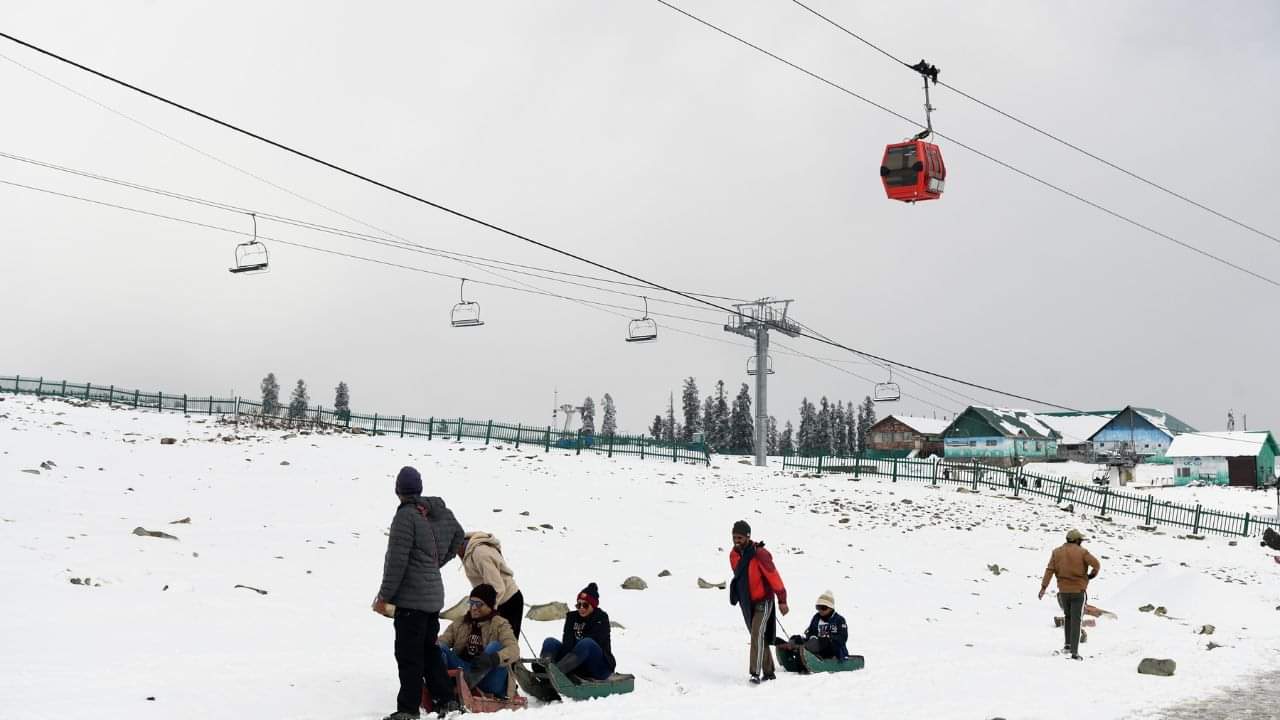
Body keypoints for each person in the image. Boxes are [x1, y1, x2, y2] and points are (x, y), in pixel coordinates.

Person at [373, 466, 466, 720]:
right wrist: (434, 564)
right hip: (433, 596)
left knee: (408, 655)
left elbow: (396, 562)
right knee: (429, 650)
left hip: (412, 600)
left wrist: (383, 597)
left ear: (398, 490)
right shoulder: (437, 511)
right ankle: (447, 700)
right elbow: (459, 535)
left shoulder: (405, 516)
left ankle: (408, 709)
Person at [729, 520, 788, 684]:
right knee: (758, 635)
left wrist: (782, 600)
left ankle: (754, 673)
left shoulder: (760, 554)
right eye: (734, 537)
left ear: (748, 536)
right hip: (747, 603)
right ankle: (769, 672)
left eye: (740, 537)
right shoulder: (733, 555)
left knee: (756, 634)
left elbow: (773, 577)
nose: (736, 541)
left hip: (764, 600)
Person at [437, 584, 519, 699]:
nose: (474, 607)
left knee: (495, 646)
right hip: (465, 672)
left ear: (490, 606)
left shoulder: (500, 624)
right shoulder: (461, 622)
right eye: (471, 603)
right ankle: (441, 685)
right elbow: (443, 641)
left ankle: (466, 684)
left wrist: (494, 658)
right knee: (438, 648)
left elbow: (514, 650)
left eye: (479, 604)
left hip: (489, 678)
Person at [1038, 528, 1101, 661]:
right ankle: (1075, 652)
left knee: (1067, 617)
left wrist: (1043, 587)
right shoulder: (1083, 552)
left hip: (1063, 592)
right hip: (1078, 592)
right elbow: (1096, 565)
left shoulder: (1056, 552)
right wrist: (1090, 576)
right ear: (1077, 540)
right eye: (1080, 540)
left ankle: (1067, 646)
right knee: (1076, 620)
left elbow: (1049, 570)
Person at [539, 582, 617, 681]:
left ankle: (556, 673)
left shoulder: (601, 618)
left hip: (596, 666)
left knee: (587, 643)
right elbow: (567, 643)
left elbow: (596, 640)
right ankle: (545, 667)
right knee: (550, 642)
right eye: (578, 605)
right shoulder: (572, 617)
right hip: (573, 664)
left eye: (585, 605)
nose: (581, 608)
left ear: (593, 606)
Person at [459, 531, 524, 638]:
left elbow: (497, 587)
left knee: (505, 643)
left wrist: (488, 612)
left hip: (507, 602)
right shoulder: (470, 551)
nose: (454, 554)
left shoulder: (479, 553)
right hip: (496, 602)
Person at [787, 590, 849, 660]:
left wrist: (829, 638)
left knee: (823, 641)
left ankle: (801, 649)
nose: (820, 610)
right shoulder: (816, 618)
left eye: (824, 608)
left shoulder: (839, 620)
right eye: (818, 607)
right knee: (796, 638)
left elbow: (843, 638)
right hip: (816, 645)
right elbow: (811, 632)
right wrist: (811, 637)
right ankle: (793, 649)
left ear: (831, 608)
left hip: (833, 650)